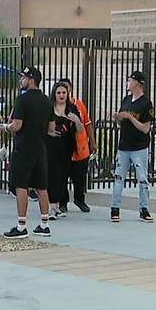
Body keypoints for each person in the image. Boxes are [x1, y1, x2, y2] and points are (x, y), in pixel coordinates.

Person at [3, 67, 53, 239]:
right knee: (41, 186)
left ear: (31, 79)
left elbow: (17, 125)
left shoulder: (22, 100)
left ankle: (21, 225)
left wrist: (6, 127)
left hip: (23, 149)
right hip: (41, 149)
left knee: (21, 185)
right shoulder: (47, 101)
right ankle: (44, 223)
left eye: (23, 77)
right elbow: (51, 128)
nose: (21, 80)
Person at [110, 70, 156, 223]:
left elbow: (145, 128)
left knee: (142, 179)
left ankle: (144, 209)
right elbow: (122, 123)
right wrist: (118, 118)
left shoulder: (146, 103)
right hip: (124, 146)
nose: (127, 83)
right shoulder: (126, 99)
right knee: (118, 177)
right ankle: (114, 208)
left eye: (129, 80)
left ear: (137, 82)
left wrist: (129, 117)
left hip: (139, 147)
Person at [46, 82, 80, 220]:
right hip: (50, 146)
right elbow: (41, 125)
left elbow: (80, 130)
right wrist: (48, 132)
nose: (61, 95)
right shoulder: (48, 107)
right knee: (52, 175)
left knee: (63, 176)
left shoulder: (72, 108)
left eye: (64, 93)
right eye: (59, 93)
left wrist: (77, 120)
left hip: (66, 147)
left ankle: (58, 205)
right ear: (54, 93)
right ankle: (51, 206)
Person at [59, 77, 93, 213]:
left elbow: (87, 124)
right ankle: (63, 202)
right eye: (60, 90)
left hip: (80, 147)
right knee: (62, 176)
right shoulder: (55, 107)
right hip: (64, 148)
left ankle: (80, 199)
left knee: (79, 177)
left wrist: (93, 142)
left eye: (66, 89)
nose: (63, 93)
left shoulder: (78, 105)